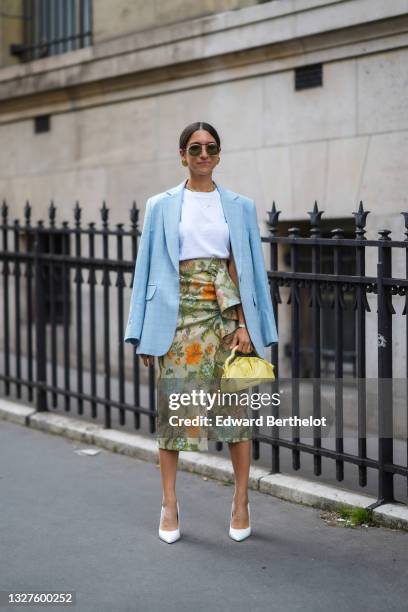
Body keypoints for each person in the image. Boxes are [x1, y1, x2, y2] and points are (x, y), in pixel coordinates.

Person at [124, 121, 278, 543]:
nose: (203, 155)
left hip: (226, 317)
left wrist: (245, 324)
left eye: (210, 147)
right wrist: (140, 331)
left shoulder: (240, 206)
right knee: (174, 414)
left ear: (219, 154)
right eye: (195, 148)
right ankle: (170, 503)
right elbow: (145, 271)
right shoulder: (161, 205)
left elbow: (242, 269)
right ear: (182, 155)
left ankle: (242, 500)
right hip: (176, 322)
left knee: (234, 416)